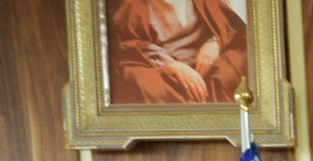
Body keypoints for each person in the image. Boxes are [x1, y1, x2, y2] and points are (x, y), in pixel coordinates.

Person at [106, 0, 250, 104]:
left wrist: (214, 43)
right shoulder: (130, 3)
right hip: (158, 66)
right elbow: (127, 43)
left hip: (206, 63)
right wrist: (171, 66)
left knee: (231, 68)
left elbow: (229, 27)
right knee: (146, 85)